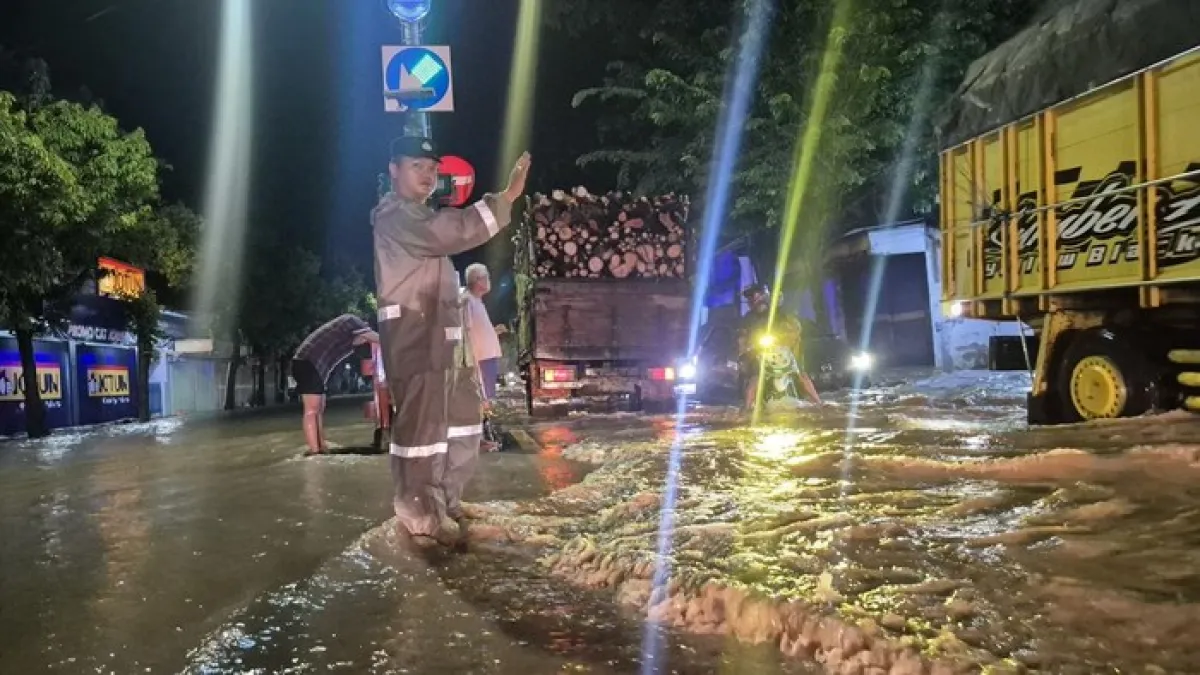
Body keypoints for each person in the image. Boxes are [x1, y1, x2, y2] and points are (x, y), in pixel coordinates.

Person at [371, 135, 530, 543]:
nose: (428, 175)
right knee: (422, 431)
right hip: (416, 338)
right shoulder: (396, 217)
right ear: (394, 171)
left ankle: (446, 499)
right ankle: (419, 511)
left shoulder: (420, 218)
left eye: (432, 169)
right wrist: (506, 197)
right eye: (417, 167)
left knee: (461, 421)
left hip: (445, 342)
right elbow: (452, 231)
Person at [292, 313, 379, 455]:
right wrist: (392, 344)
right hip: (307, 362)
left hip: (312, 367)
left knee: (318, 408)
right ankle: (315, 453)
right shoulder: (351, 321)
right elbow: (370, 336)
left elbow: (363, 340)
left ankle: (320, 446)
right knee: (312, 410)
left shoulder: (348, 342)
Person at [737, 284, 822, 409]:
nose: (754, 298)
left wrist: (786, 337)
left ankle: (818, 402)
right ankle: (747, 408)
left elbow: (795, 326)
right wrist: (745, 347)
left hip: (783, 352)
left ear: (765, 295)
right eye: (750, 296)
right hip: (759, 354)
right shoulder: (748, 319)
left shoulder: (780, 313)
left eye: (757, 294)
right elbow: (742, 336)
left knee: (800, 373)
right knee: (756, 376)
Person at [462, 263, 504, 452]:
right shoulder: (468, 301)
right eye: (486, 276)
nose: (489, 280)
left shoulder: (477, 301)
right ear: (477, 280)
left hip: (486, 358)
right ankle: (476, 441)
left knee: (484, 399)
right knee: (479, 399)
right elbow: (467, 333)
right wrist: (472, 361)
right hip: (479, 359)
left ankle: (480, 438)